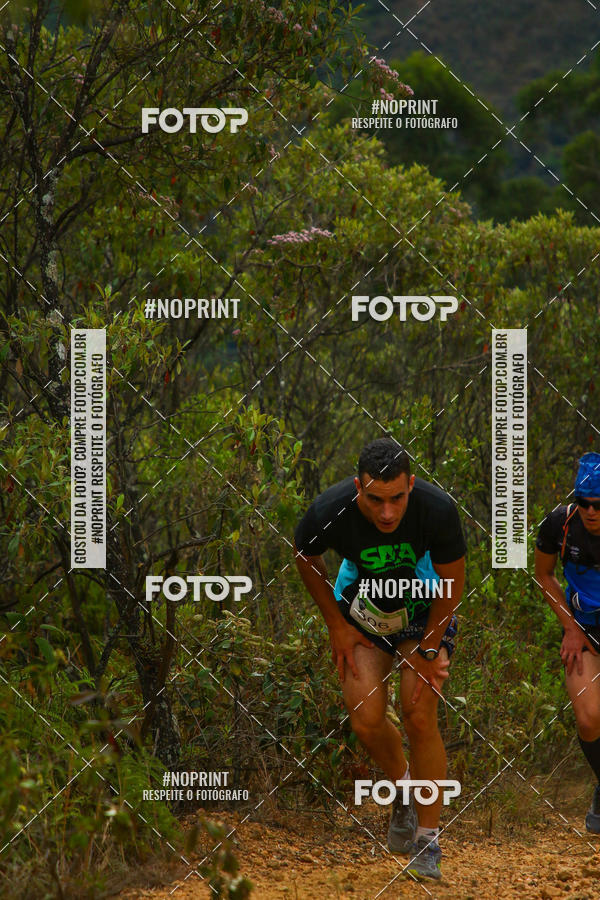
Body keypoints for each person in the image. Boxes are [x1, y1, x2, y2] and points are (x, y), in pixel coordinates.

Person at [293, 438, 465, 880]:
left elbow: (452, 582)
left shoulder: (437, 509)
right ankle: (404, 790)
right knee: (366, 720)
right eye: (374, 500)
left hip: (423, 611)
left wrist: (430, 647)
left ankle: (427, 840)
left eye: (396, 499)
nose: (387, 513)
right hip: (363, 611)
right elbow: (305, 555)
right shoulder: (329, 508)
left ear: (411, 484)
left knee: (419, 712)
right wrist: (335, 624)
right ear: (357, 488)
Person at [535, 451, 600, 832]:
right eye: (583, 503)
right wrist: (572, 628)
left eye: (598, 505)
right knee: (589, 719)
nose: (590, 512)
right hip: (585, 626)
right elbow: (544, 575)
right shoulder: (559, 525)